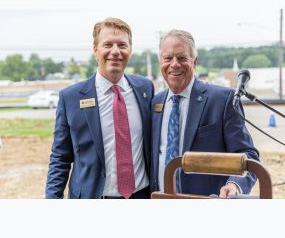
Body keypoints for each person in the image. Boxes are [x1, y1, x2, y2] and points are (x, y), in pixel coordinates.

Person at [46, 17, 154, 199]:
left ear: (130, 50)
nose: (115, 51)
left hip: (141, 196)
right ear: (95, 49)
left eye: (122, 45)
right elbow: (60, 158)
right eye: (108, 45)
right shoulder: (70, 98)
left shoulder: (145, 89)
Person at [150, 29, 259, 198]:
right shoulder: (155, 103)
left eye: (182, 58)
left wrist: (235, 184)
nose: (174, 64)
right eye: (168, 58)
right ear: (160, 63)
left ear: (194, 61)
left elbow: (248, 154)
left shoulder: (223, 100)